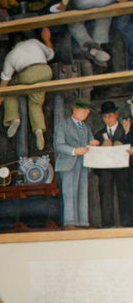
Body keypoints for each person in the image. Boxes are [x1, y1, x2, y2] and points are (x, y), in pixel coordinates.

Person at [0, 27, 54, 150]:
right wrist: (47, 39)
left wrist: (1, 96)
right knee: (36, 103)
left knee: (10, 89)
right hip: (45, 71)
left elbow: (5, 79)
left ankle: (14, 118)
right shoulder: (34, 42)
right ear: (24, 39)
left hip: (28, 74)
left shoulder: (11, 54)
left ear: (12, 46)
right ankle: (39, 130)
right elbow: (50, 54)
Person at [54, 97, 101, 228]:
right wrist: (74, 151)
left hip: (83, 163)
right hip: (68, 164)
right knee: (69, 193)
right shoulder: (62, 126)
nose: (85, 115)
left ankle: (82, 222)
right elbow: (59, 146)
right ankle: (70, 222)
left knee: (82, 192)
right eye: (83, 111)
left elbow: (90, 141)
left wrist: (93, 143)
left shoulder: (86, 127)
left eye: (87, 113)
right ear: (75, 109)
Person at [92, 101, 133, 227]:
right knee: (105, 195)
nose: (108, 119)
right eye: (105, 116)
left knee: (125, 194)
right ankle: (107, 224)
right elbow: (94, 155)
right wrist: (101, 147)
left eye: (110, 115)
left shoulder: (126, 129)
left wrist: (122, 143)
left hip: (123, 169)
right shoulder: (99, 134)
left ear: (116, 114)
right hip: (105, 170)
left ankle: (127, 223)